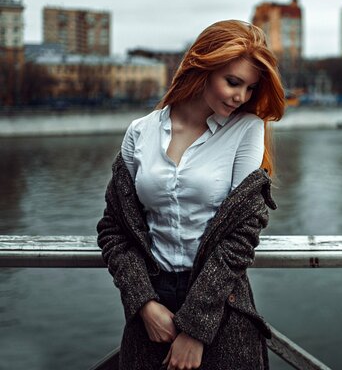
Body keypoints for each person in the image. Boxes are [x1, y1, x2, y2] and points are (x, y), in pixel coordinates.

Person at [97, 20, 285, 370]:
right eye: (233, 82)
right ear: (202, 67)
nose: (241, 97)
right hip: (151, 315)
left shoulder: (247, 130)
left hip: (223, 309)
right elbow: (114, 229)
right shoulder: (140, 132)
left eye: (250, 88)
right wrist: (143, 303)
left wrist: (196, 329)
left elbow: (242, 234)